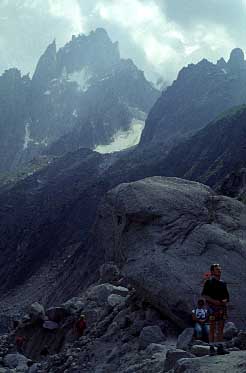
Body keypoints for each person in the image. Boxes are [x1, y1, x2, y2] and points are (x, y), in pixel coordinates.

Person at [202, 264, 229, 343]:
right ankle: (212, 347)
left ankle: (219, 346)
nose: (219, 270)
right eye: (217, 269)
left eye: (220, 269)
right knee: (212, 328)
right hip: (212, 308)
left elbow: (227, 296)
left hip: (222, 307)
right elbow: (204, 295)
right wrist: (214, 302)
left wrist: (224, 301)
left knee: (221, 328)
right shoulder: (209, 282)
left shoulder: (223, 283)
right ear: (212, 271)